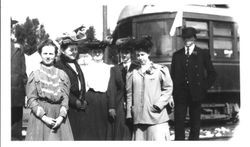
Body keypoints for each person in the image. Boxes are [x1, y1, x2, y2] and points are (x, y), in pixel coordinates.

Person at [171, 27, 217, 140]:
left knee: (195, 124)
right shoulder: (177, 55)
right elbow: (172, 76)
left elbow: (212, 74)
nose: (187, 40)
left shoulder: (202, 54)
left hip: (196, 94)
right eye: (185, 38)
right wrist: (172, 93)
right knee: (179, 123)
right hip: (180, 95)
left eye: (190, 38)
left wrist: (203, 88)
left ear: (194, 39)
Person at [126, 36, 173, 140]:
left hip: (156, 117)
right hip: (138, 117)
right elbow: (129, 93)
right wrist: (130, 113)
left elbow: (168, 89)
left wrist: (158, 105)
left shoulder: (160, 70)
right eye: (137, 55)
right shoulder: (132, 72)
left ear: (148, 54)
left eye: (142, 55)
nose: (140, 57)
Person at [25, 39, 73, 140]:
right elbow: (32, 99)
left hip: (59, 116)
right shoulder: (35, 75)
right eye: (45, 53)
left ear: (55, 55)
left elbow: (65, 97)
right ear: (40, 54)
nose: (48, 56)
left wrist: (61, 117)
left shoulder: (62, 75)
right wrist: (44, 117)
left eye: (51, 54)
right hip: (40, 118)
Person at [55, 36, 87, 140]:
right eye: (71, 50)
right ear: (63, 51)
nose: (74, 52)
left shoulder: (75, 63)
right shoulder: (59, 65)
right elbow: (61, 88)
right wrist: (74, 101)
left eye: (75, 49)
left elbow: (81, 83)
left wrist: (83, 98)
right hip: (67, 107)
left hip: (78, 106)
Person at [80, 41, 113, 140]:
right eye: (95, 52)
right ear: (91, 53)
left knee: (104, 125)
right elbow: (83, 85)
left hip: (104, 98)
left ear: (103, 53)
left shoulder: (109, 68)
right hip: (90, 97)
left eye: (100, 52)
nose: (97, 54)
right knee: (91, 125)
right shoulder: (85, 68)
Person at [106, 37, 137, 140]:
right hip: (120, 104)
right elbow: (112, 89)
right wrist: (112, 107)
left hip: (134, 102)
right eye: (122, 52)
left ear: (131, 53)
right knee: (122, 128)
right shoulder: (115, 69)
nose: (124, 55)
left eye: (127, 52)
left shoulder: (137, 67)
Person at [11, 18, 28, 140]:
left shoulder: (18, 48)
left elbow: (23, 73)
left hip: (15, 93)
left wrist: (26, 92)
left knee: (15, 132)